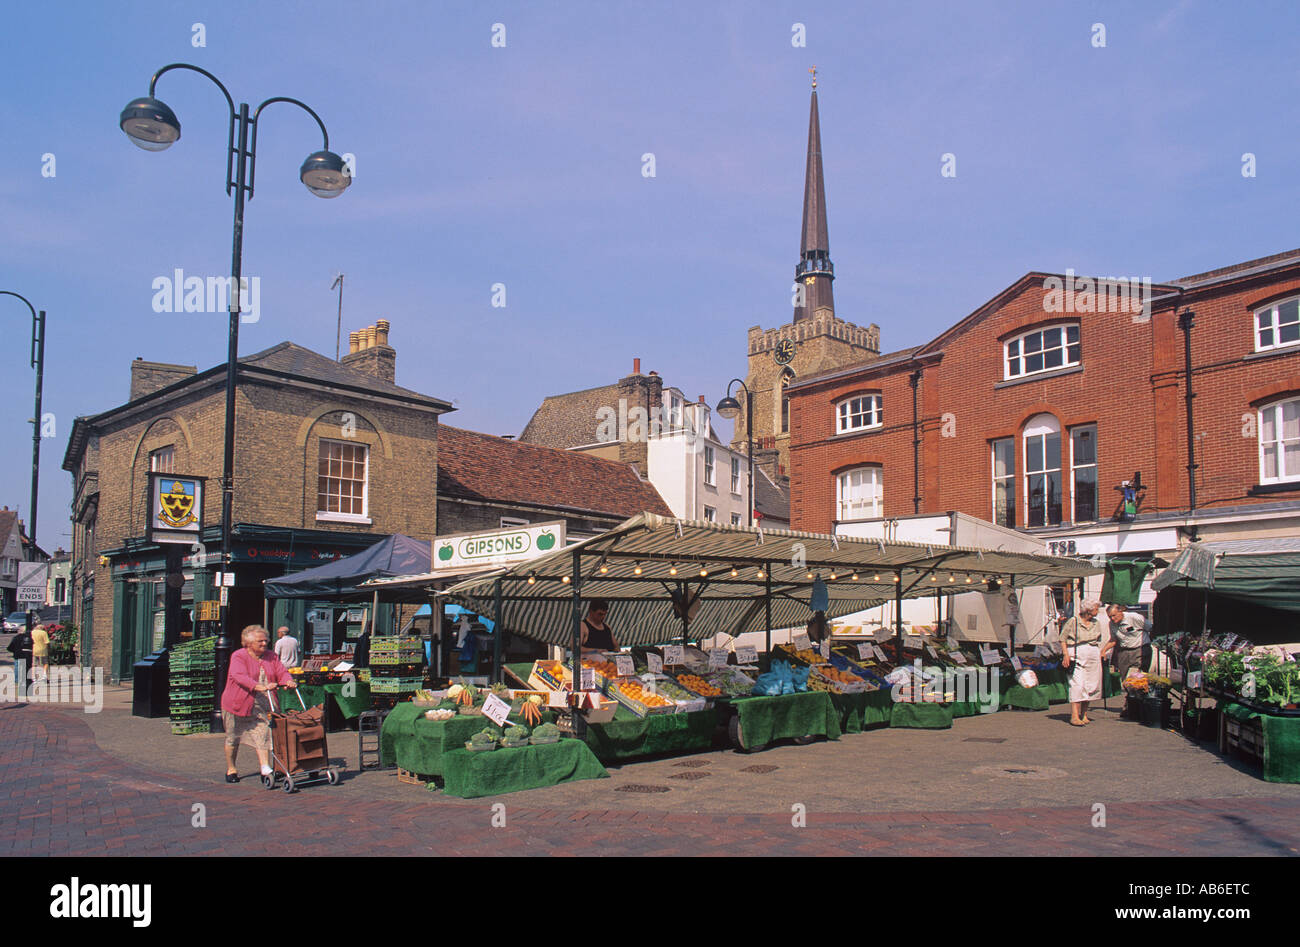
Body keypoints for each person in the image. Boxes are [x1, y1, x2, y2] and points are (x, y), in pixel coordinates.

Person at [219, 624, 297, 783]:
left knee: (264, 734)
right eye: (260, 641)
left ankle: (265, 768)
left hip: (263, 701)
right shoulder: (238, 656)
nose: (264, 644)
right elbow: (238, 675)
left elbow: (281, 671)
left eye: (266, 640)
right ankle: (231, 768)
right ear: (248, 643)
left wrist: (288, 681)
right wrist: (258, 686)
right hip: (238, 702)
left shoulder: (271, 656)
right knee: (233, 737)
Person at [1060, 599, 1112, 727]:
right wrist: (1065, 654)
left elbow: (1098, 639)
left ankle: (1084, 714)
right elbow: (1062, 638)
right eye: (1096, 608)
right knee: (1077, 684)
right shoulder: (1073, 621)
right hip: (1076, 653)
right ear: (1088, 609)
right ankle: (1074, 716)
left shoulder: (1096, 622)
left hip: (1093, 654)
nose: (1097, 610)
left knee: (1091, 684)